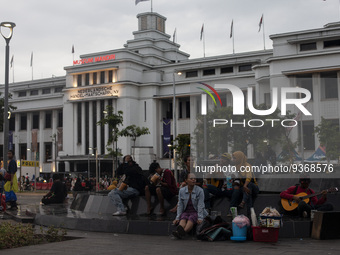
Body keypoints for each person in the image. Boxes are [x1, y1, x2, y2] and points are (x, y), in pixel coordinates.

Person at [172, 173, 208, 239]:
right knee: (183, 218)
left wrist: (200, 217)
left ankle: (182, 233)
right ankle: (179, 231)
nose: (193, 180)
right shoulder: (182, 191)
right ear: (186, 180)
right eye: (191, 179)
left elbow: (201, 205)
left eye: (194, 178)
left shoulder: (200, 190)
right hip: (186, 211)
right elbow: (180, 204)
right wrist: (177, 218)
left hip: (196, 211)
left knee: (191, 218)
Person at [232, 151, 259, 216]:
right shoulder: (236, 167)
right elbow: (237, 179)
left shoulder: (247, 165)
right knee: (247, 192)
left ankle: (243, 202)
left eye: (234, 158)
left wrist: (245, 185)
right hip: (246, 189)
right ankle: (248, 215)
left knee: (249, 185)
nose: (233, 160)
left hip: (253, 187)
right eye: (233, 158)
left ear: (239, 158)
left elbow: (249, 177)